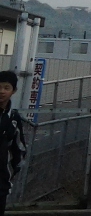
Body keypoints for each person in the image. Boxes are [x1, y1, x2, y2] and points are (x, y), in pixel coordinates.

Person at [0, 70, 26, 215]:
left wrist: (9, 172)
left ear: (13, 91)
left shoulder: (14, 118)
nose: (1, 91)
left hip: (1, 183)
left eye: (6, 88)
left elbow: (19, 148)